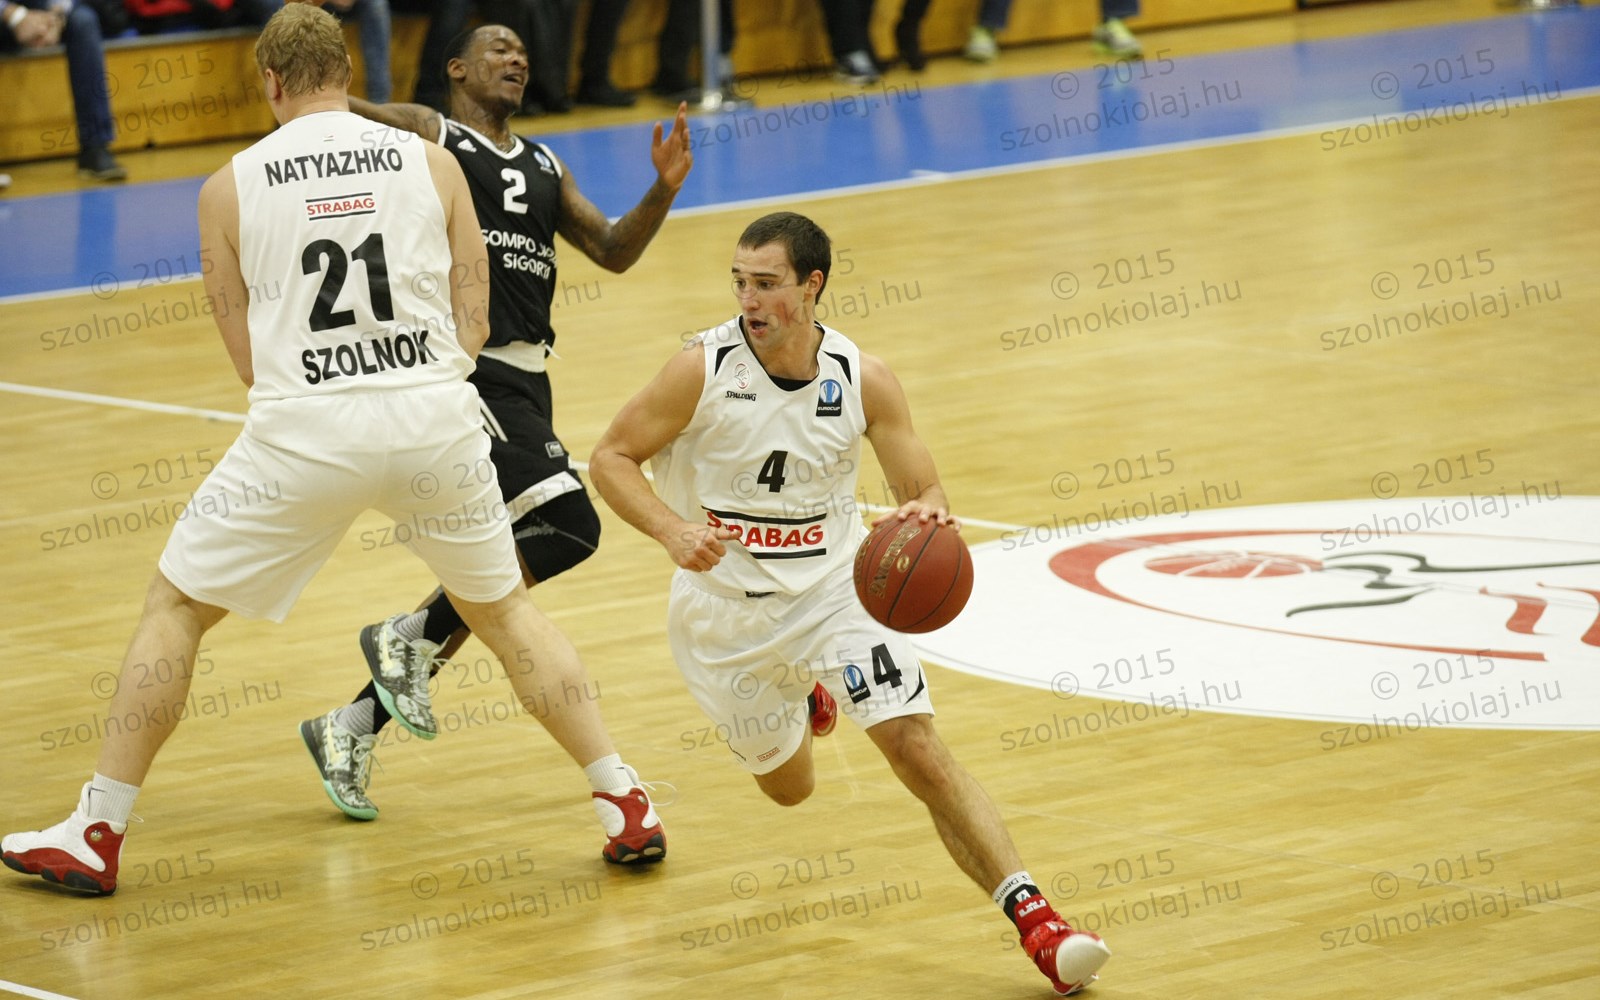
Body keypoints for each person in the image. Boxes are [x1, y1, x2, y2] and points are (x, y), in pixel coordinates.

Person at [0, 4, 664, 896]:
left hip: (306, 430)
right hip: (433, 419)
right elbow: (474, 320)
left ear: (270, 82)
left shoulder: (227, 187)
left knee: (177, 608)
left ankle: (97, 830)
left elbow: (246, 359)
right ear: (348, 75)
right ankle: (622, 799)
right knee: (506, 612)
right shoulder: (433, 161)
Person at [586, 211, 1114, 996]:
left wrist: (928, 514)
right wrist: (670, 529)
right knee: (789, 790)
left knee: (916, 748)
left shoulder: (864, 378)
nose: (749, 300)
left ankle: (1039, 923)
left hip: (837, 593)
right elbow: (610, 457)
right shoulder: (699, 369)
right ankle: (807, 698)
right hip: (723, 615)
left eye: (766, 284)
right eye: (740, 283)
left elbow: (924, 490)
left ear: (812, 286)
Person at [293, 23, 691, 824]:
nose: (517, 59)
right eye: (500, 50)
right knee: (570, 525)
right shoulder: (434, 134)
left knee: (488, 575)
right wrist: (320, 84)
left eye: (523, 53)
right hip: (469, 371)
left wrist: (663, 189)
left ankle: (352, 724)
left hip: (530, 381)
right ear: (457, 69)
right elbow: (360, 114)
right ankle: (406, 633)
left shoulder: (544, 163)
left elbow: (613, 250)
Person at [0, 0, 125, 180]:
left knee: (83, 20)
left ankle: (95, 147)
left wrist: (56, 16)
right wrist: (14, 16)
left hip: (41, 10)